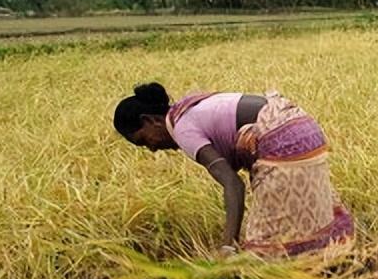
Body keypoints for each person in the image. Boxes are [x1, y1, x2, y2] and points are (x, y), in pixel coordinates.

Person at [113, 83, 353, 257]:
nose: (152, 149)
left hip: (281, 140)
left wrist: (228, 246)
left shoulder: (183, 129)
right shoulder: (188, 108)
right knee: (309, 223)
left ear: (149, 120)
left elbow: (232, 183)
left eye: (144, 141)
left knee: (267, 247)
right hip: (303, 128)